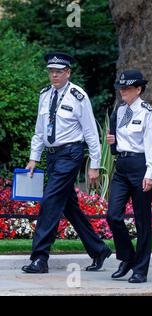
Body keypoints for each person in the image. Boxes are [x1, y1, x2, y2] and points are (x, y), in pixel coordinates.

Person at [22, 52, 112, 273]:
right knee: (69, 207)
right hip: (52, 156)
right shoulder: (44, 95)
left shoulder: (77, 96)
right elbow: (39, 131)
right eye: (51, 71)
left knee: (50, 202)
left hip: (70, 155)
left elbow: (91, 133)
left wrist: (94, 165)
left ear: (68, 73)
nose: (54, 75)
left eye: (59, 71)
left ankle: (40, 258)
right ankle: (99, 249)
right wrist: (34, 157)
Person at [106, 70, 152, 283]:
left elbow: (151, 144)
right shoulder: (119, 111)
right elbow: (119, 141)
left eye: (127, 88)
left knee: (142, 221)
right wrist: (113, 143)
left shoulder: (148, 111)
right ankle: (128, 257)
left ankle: (140, 270)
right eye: (121, 87)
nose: (122, 91)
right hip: (122, 167)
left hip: (140, 166)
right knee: (113, 215)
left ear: (138, 89)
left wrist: (149, 173)